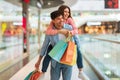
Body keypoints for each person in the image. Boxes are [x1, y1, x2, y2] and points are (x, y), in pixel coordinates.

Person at [45, 5, 88, 79]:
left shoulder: (69, 20)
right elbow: (48, 31)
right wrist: (60, 31)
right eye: (65, 11)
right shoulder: (55, 21)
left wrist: (70, 32)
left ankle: (80, 71)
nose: (67, 13)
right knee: (49, 51)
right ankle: (43, 69)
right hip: (58, 43)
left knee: (78, 50)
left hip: (71, 39)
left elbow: (75, 30)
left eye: (68, 12)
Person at [35, 10, 74, 80]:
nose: (61, 20)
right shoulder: (50, 32)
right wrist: (39, 61)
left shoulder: (69, 28)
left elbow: (74, 41)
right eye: (58, 19)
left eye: (62, 18)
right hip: (56, 62)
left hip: (68, 61)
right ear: (53, 20)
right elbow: (44, 47)